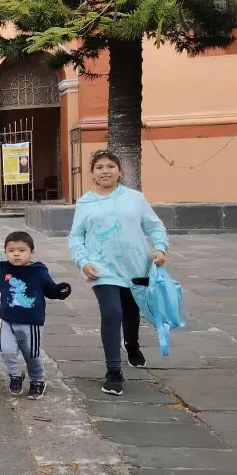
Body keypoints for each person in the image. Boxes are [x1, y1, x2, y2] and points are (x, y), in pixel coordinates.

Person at [69, 149, 168, 396]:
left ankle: (132, 345)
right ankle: (114, 371)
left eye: (110, 166)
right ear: (92, 173)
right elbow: (76, 236)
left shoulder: (135, 198)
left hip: (135, 267)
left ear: (119, 170)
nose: (105, 171)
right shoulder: (85, 202)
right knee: (112, 313)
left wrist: (160, 249)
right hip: (101, 269)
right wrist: (82, 261)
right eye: (99, 167)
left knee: (131, 311)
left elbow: (155, 226)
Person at [0, 231, 72, 399]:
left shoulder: (38, 271)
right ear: (6, 252)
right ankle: (15, 375)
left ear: (31, 252)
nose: (16, 253)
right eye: (11, 250)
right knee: (6, 351)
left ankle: (37, 380)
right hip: (8, 321)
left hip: (31, 323)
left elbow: (50, 289)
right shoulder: (2, 268)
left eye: (21, 250)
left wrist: (60, 291)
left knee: (32, 354)